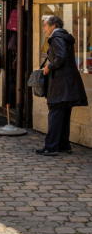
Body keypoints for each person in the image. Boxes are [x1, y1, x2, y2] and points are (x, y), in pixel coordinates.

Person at [36, 14, 88, 156]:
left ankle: (51, 146)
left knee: (55, 114)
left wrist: (49, 67)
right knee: (63, 115)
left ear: (54, 25)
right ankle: (64, 145)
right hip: (68, 81)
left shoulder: (57, 37)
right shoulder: (63, 36)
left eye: (45, 25)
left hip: (61, 82)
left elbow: (61, 57)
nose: (43, 28)